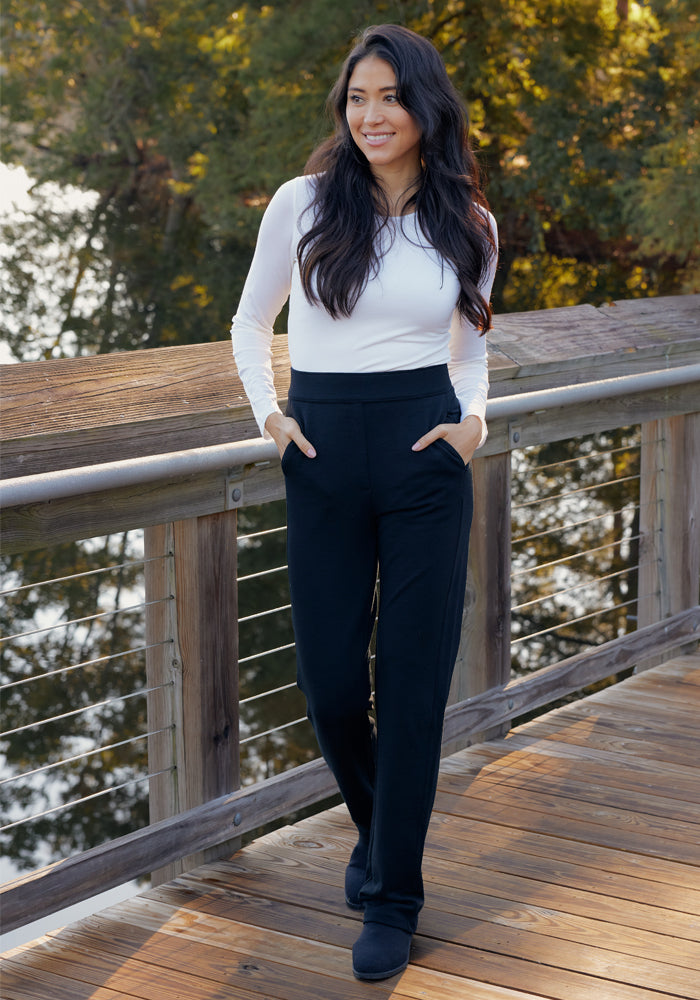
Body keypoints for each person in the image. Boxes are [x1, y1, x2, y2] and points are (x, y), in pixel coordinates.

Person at [231, 23, 498, 982]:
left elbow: (471, 350)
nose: (371, 116)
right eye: (357, 99)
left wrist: (473, 423)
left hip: (427, 457)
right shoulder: (303, 204)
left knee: (415, 688)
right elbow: (249, 319)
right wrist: (272, 416)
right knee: (333, 685)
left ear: (424, 107)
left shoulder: (468, 220)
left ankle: (394, 895)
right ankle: (380, 830)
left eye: (388, 97)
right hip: (325, 453)